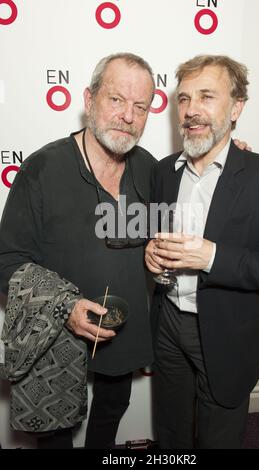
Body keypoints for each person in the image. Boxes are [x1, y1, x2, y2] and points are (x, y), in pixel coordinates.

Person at [0, 52, 156, 449]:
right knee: (54, 430)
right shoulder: (42, 168)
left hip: (124, 328)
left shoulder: (151, 170)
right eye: (116, 99)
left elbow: (196, 195)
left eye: (140, 106)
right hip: (54, 334)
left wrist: (228, 153)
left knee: (113, 404)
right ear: (89, 99)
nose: (127, 115)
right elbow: (7, 260)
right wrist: (65, 306)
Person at [145, 54, 259, 449]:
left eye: (207, 96)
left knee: (219, 437)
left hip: (227, 333)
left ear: (237, 107)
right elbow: (152, 237)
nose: (191, 110)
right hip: (167, 325)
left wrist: (212, 257)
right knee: (170, 432)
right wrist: (150, 254)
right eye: (184, 99)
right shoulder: (163, 172)